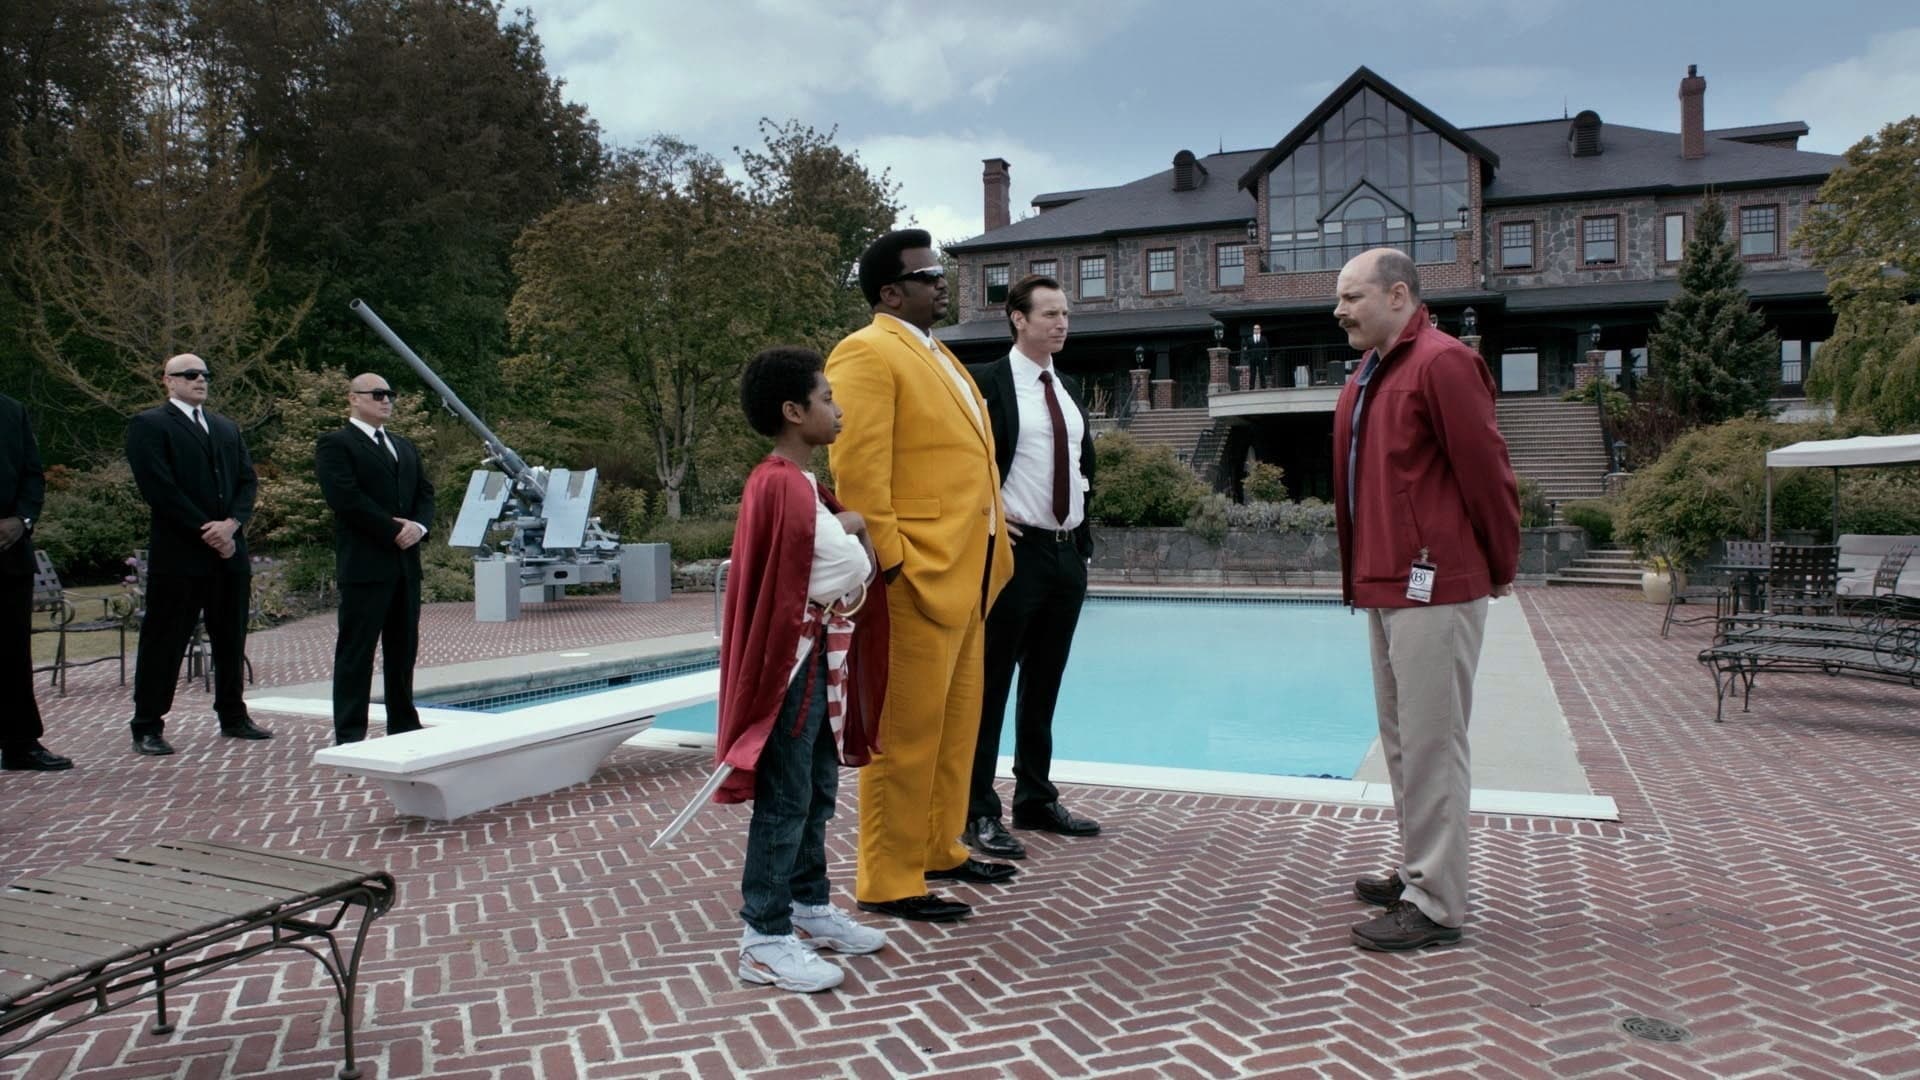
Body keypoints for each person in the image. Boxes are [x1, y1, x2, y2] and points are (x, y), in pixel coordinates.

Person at [1330, 249, 1519, 952]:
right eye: (1339, 299)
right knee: (1404, 742)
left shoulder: (1443, 363)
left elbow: (1487, 472)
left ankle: (1436, 903)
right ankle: (1420, 872)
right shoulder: (1372, 369)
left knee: (1434, 744)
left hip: (1434, 582)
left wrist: (1500, 562)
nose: (1340, 311)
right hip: (1386, 581)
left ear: (1398, 294)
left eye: (1352, 297)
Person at [826, 228, 1016, 923]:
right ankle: (887, 877)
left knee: (955, 726)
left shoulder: (940, 353)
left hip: (971, 570)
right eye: (928, 275)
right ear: (890, 292)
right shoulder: (866, 351)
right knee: (905, 735)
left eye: (939, 273)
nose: (942, 283)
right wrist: (894, 562)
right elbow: (858, 470)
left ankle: (940, 846)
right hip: (918, 573)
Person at [715, 346, 890, 993]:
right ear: (794, 411)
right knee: (786, 798)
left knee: (814, 788)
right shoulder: (782, 484)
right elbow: (846, 569)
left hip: (813, 656)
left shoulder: (797, 485)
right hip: (791, 666)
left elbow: (832, 566)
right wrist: (855, 527)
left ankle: (808, 908)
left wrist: (846, 530)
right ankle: (763, 938)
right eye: (827, 399)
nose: (838, 411)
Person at [961, 275, 1099, 861]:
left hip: (1066, 554)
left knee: (1044, 683)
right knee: (991, 685)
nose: (1061, 323)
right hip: (1014, 555)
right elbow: (959, 460)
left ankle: (1036, 798)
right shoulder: (986, 383)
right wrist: (986, 512)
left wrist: (1083, 540)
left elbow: (1080, 465)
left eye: (1065, 313)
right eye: (1049, 313)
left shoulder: (1066, 386)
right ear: (1018, 318)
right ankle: (976, 810)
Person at [125, 353, 270, 755]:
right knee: (164, 640)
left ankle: (233, 715)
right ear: (167, 380)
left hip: (229, 553)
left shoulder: (225, 427)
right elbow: (159, 487)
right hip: (180, 555)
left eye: (205, 374)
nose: (200, 380)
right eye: (190, 374)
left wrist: (232, 525)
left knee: (231, 637)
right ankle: (147, 725)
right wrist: (207, 529)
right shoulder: (150, 425)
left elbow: (246, 481)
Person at [314, 373, 436, 745]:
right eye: (378, 394)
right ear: (354, 398)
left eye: (390, 394)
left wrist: (419, 527)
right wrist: (392, 530)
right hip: (365, 566)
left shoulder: (403, 446)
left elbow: (425, 493)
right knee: (357, 652)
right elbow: (345, 498)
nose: (386, 400)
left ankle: (404, 725)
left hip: (405, 567)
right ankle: (351, 734)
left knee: (403, 651)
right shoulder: (336, 444)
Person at [1, 393, 71, 772]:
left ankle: (20, 744)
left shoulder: (12, 410)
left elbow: (32, 473)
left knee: (13, 653)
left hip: (9, 553)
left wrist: (22, 520)